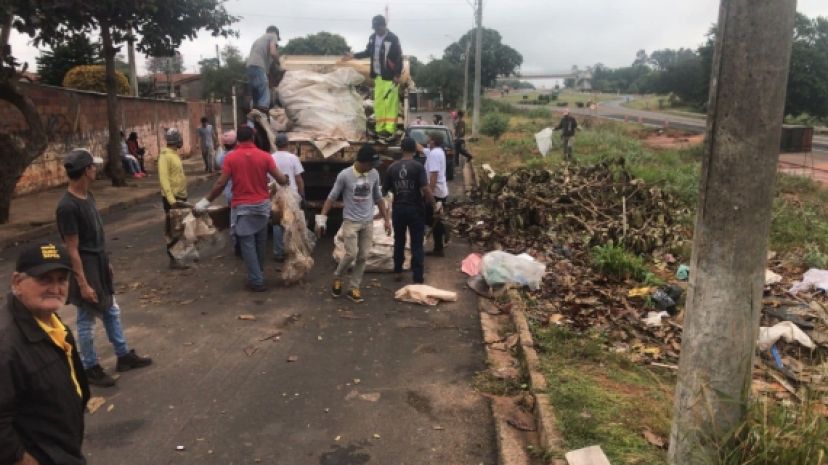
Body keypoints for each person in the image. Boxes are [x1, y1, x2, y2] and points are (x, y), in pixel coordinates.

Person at [56, 148, 152, 388]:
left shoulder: (88, 196)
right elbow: (72, 248)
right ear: (85, 171)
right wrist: (82, 283)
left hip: (98, 262)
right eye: (93, 166)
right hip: (85, 268)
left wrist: (106, 262)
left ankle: (122, 355)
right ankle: (90, 367)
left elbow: (97, 235)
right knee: (86, 318)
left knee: (111, 310)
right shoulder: (67, 207)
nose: (96, 170)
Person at [1, 242, 90, 465]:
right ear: (17, 282)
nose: (55, 288)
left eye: (61, 280)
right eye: (44, 279)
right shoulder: (6, 345)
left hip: (62, 448)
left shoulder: (49, 321)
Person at [195, 126, 288, 292]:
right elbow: (280, 179)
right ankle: (258, 274)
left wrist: (205, 201)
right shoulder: (265, 156)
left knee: (247, 244)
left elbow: (220, 183)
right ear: (253, 138)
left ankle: (257, 280)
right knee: (259, 243)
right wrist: (285, 179)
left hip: (243, 208)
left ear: (238, 140)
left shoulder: (231, 158)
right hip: (262, 207)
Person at [317, 144, 391, 303]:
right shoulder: (345, 175)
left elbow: (378, 197)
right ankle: (337, 276)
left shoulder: (374, 174)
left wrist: (386, 219)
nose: (373, 168)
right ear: (362, 162)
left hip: (367, 222)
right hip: (351, 221)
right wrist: (322, 218)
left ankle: (353, 288)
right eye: (371, 164)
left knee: (363, 256)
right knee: (351, 254)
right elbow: (332, 196)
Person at [383, 137, 434, 284]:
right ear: (414, 150)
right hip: (416, 209)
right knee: (416, 243)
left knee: (399, 240)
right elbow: (425, 188)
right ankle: (417, 277)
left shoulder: (392, 167)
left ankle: (398, 272)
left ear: (401, 149)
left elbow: (384, 190)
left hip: (399, 209)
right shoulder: (418, 167)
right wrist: (434, 203)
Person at [345, 15, 403, 140]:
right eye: (375, 28)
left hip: (390, 77)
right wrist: (353, 55)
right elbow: (368, 52)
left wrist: (397, 74)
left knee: (390, 103)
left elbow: (399, 57)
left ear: (383, 26)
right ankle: (380, 128)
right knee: (379, 103)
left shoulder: (392, 38)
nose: (376, 30)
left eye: (378, 27)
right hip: (378, 76)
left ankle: (389, 129)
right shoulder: (372, 38)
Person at [158, 128, 191, 270]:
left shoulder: (174, 154)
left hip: (181, 197)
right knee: (173, 230)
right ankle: (174, 260)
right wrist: (172, 201)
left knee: (181, 228)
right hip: (173, 200)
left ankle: (180, 257)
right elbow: (164, 179)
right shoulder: (164, 156)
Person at [270, 133, 305, 262]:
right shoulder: (293, 158)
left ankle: (278, 253)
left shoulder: (270, 158)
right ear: (287, 144)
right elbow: (298, 179)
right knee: (292, 223)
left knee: (277, 224)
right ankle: (293, 250)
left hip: (275, 195)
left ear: (276, 144)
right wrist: (302, 194)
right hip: (291, 195)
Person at [420, 132, 449, 257]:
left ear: (433, 141)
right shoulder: (437, 152)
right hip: (440, 191)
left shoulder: (434, 154)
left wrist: (429, 194)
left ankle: (444, 230)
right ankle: (438, 247)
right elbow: (420, 149)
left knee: (429, 218)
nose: (427, 140)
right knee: (433, 218)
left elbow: (434, 175)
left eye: (429, 139)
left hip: (435, 192)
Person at [246, 26, 280, 111]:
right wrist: (280, 63)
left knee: (256, 90)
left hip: (250, 66)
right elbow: (273, 53)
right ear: (276, 33)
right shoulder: (273, 36)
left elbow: (267, 64)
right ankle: (263, 108)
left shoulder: (259, 40)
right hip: (258, 65)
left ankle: (255, 110)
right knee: (264, 88)